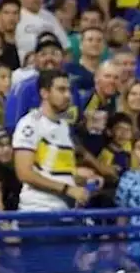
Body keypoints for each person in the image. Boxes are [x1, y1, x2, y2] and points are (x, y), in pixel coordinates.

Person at [12, 70, 88, 211]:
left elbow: (54, 169)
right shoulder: (30, 124)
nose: (68, 95)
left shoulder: (64, 126)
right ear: (44, 93)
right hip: (38, 211)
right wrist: (67, 188)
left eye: (69, 90)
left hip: (64, 209)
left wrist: (78, 181)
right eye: (61, 90)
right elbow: (24, 173)